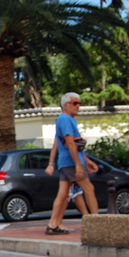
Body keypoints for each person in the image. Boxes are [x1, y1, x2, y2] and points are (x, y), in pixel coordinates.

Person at [45, 92, 99, 235]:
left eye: (79, 103)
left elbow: (75, 145)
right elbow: (70, 143)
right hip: (70, 163)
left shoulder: (64, 120)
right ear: (66, 104)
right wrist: (79, 165)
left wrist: (87, 161)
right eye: (75, 103)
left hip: (66, 162)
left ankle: (53, 224)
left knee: (63, 194)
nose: (78, 106)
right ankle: (96, 223)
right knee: (89, 189)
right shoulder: (66, 120)